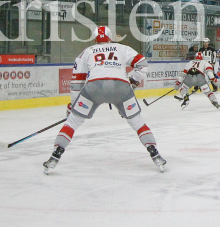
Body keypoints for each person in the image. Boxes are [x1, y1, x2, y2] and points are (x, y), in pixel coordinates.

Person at [43, 26, 165, 174]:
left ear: (95, 39)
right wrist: (133, 81)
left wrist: (73, 107)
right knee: (137, 122)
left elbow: (76, 84)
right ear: (110, 37)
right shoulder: (122, 48)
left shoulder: (86, 52)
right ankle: (155, 154)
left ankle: (55, 157)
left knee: (73, 122)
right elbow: (143, 65)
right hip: (121, 87)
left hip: (95, 87)